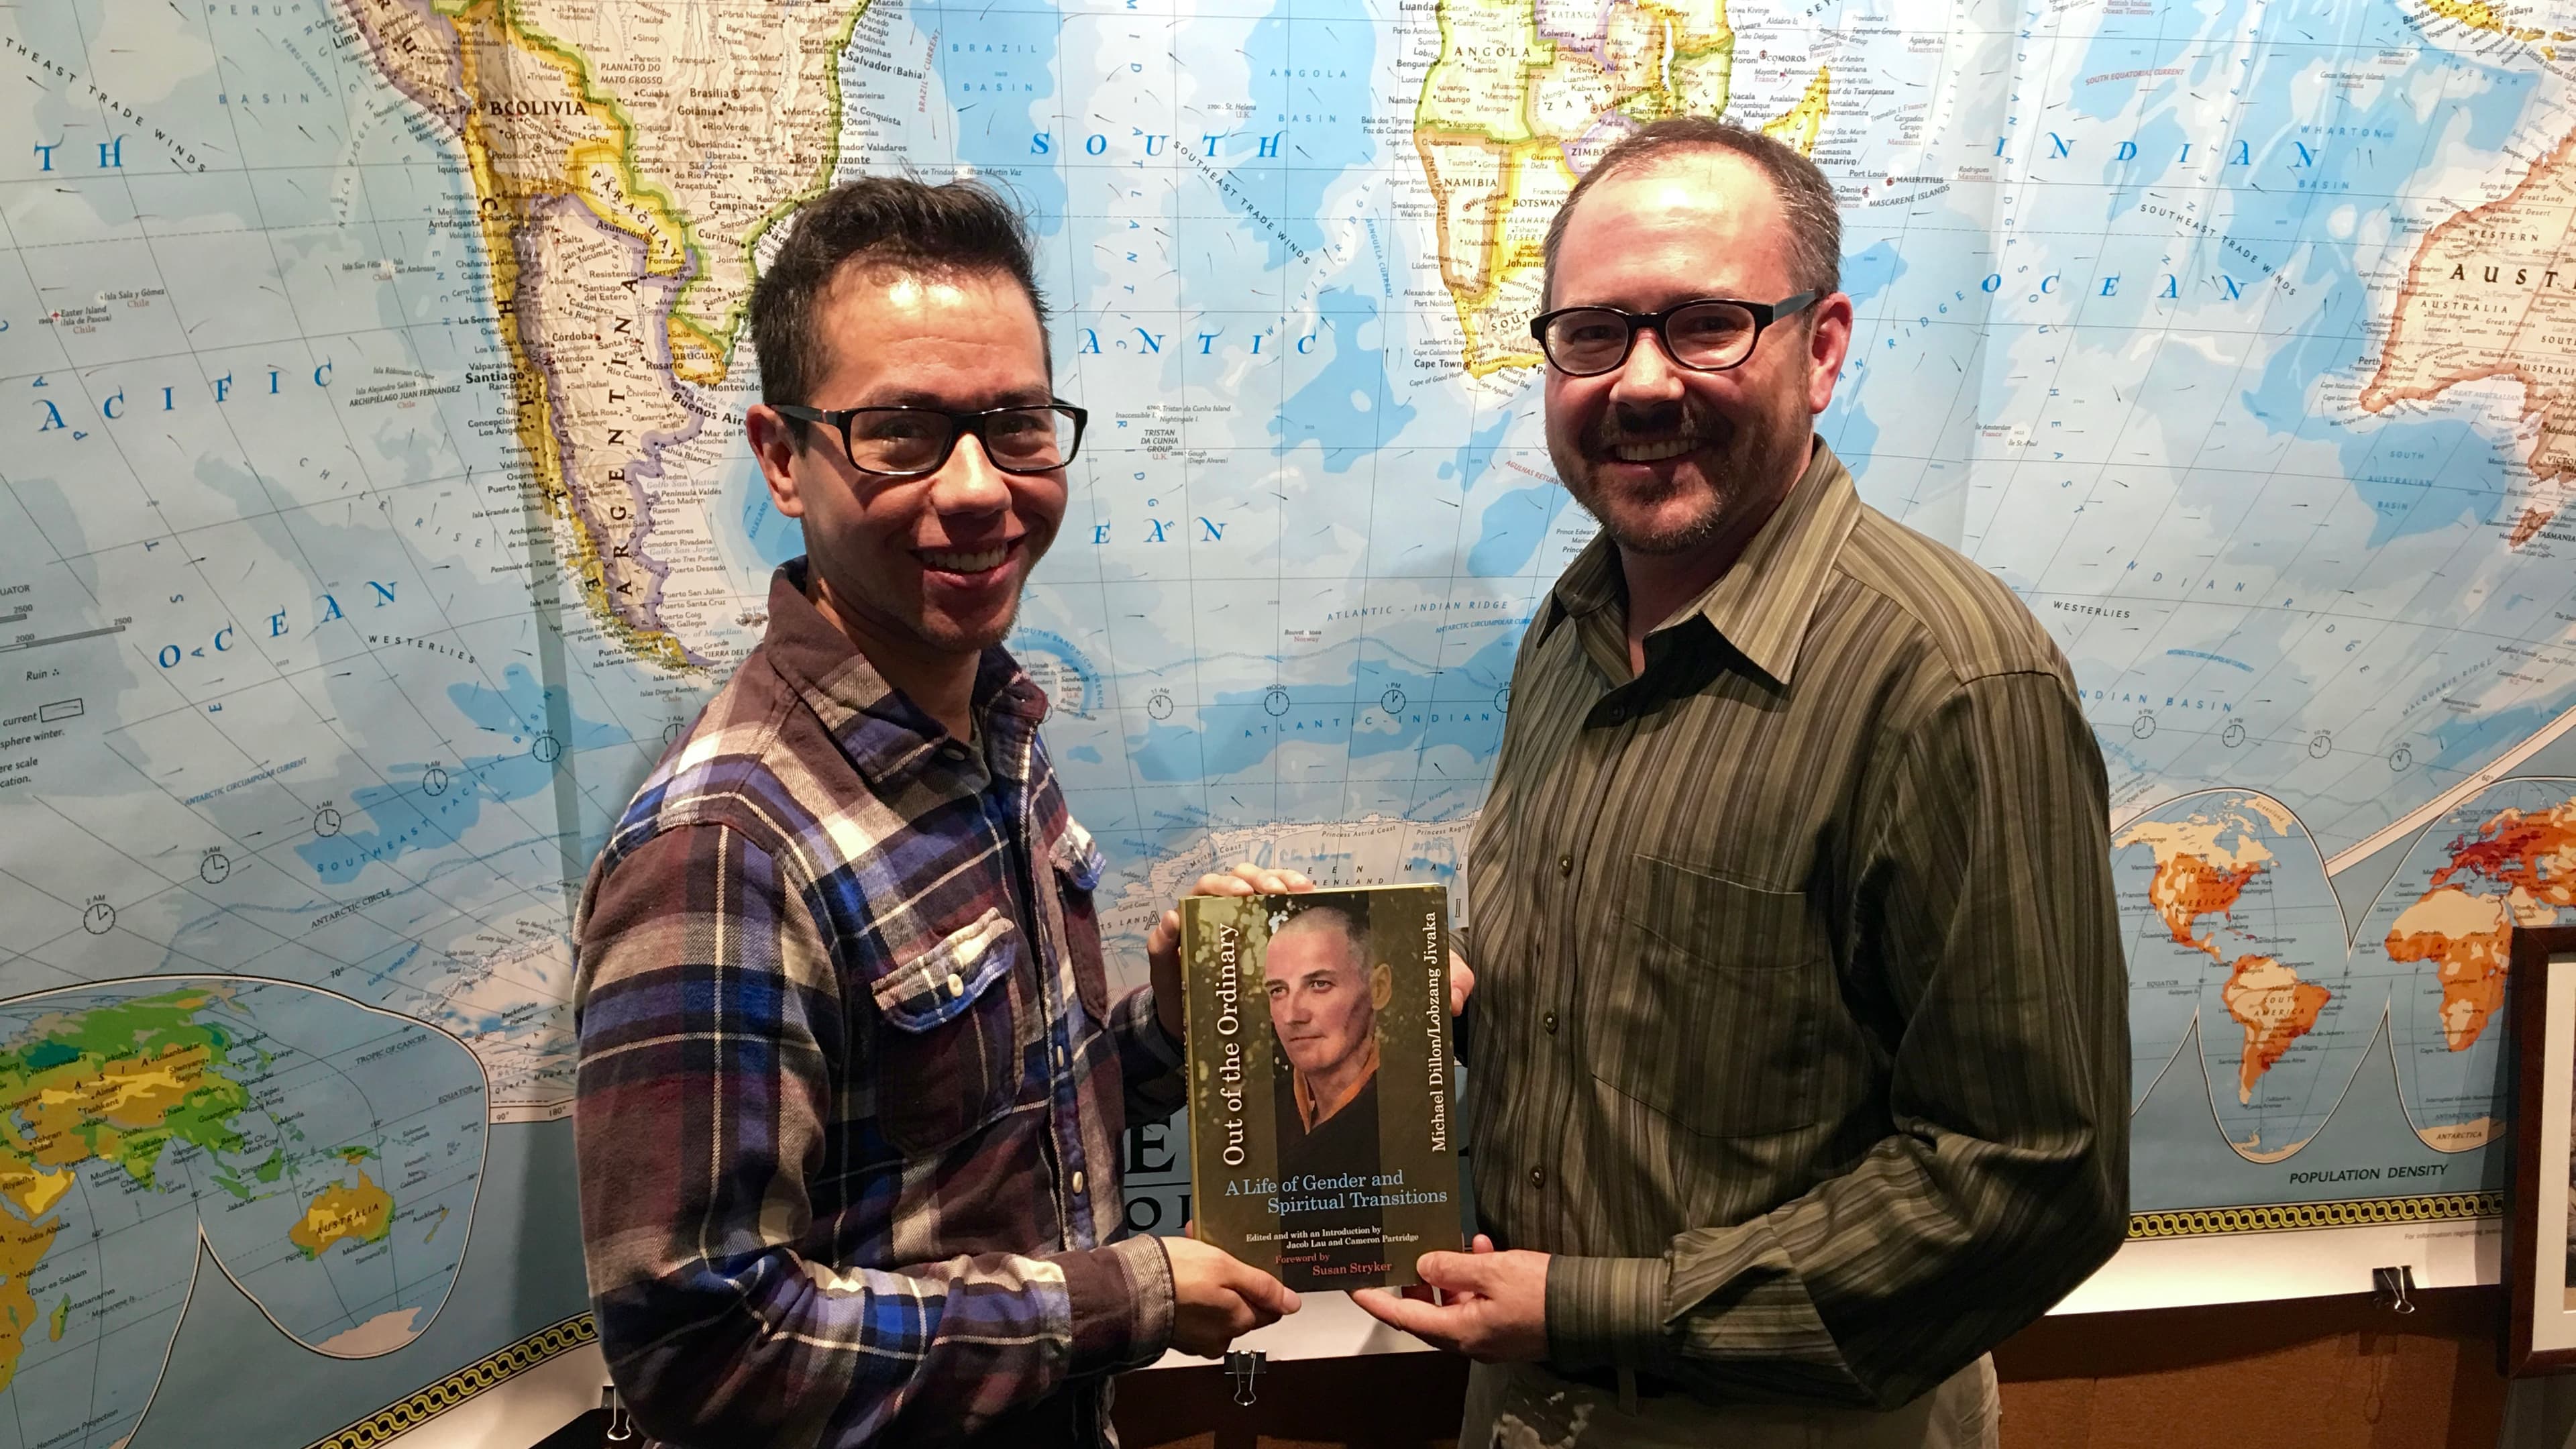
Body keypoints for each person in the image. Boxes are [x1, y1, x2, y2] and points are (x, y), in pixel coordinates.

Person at [1355, 117, 2130, 1448]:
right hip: (1526, 1400)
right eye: (1592, 335)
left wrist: (1596, 1307)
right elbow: (1657, 988)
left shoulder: (1953, 682)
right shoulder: (1572, 626)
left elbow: (2031, 1180)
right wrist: (1455, 998)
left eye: (1708, 325)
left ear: (1821, 348)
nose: (1641, 383)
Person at [571, 176, 1298, 1448]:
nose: (977, 489)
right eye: (903, 430)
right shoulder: (723, 846)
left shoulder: (999, 735)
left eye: (1016, 425)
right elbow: (699, 1347)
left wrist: (1168, 1033)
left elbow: (980, 1142)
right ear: (784, 459)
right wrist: (1130, 1294)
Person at [1265, 903, 1391, 1154]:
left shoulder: (1416, 1107)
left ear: (1378, 989)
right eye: (1278, 991)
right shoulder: (1256, 1117)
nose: (1292, 1015)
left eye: (1319, 984)